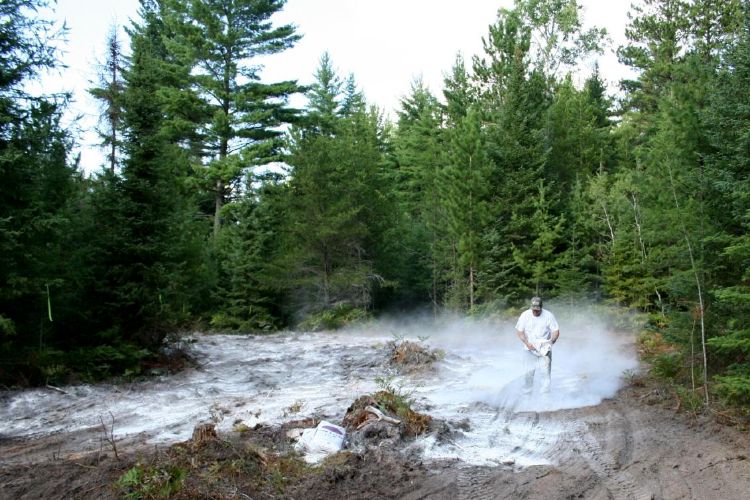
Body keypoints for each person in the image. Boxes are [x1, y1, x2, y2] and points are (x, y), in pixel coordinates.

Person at [515, 296, 560, 395]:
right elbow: (519, 331)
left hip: (544, 350)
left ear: (541, 307)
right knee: (527, 374)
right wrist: (526, 343)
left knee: (545, 375)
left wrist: (551, 341)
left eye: (537, 310)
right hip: (529, 350)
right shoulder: (525, 315)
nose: (535, 312)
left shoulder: (548, 315)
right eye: (534, 310)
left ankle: (545, 400)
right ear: (531, 307)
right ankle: (526, 398)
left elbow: (555, 331)